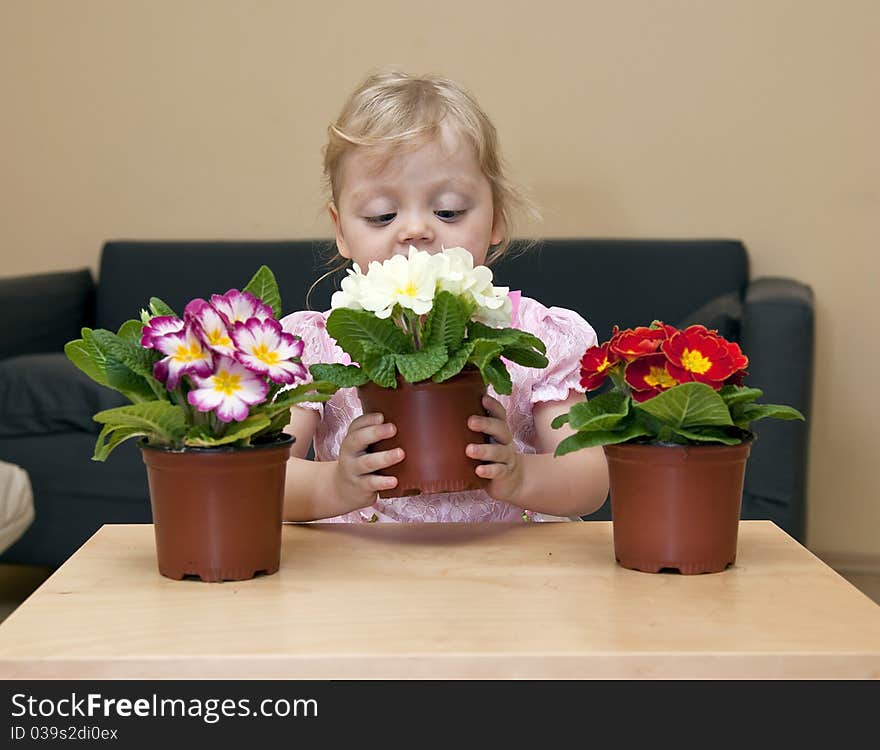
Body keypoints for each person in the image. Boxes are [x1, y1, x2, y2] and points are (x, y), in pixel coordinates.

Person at [280, 70, 608, 523]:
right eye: (381, 215)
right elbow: (264, 479)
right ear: (341, 230)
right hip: (363, 578)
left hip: (513, 577)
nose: (415, 230)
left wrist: (521, 477)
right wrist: (334, 485)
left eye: (449, 210)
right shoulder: (316, 347)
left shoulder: (535, 336)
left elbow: (589, 478)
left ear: (496, 219)